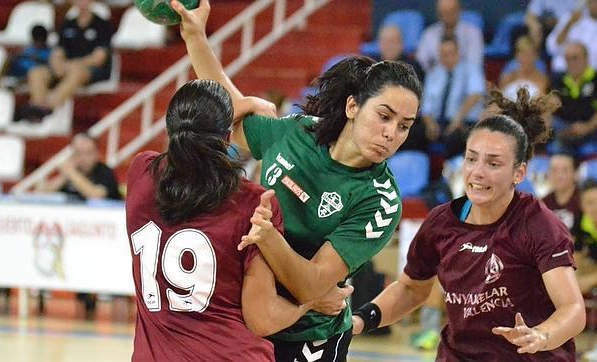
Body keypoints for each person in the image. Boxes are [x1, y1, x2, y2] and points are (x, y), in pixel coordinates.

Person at [171, 1, 422, 360]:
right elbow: (233, 110)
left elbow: (311, 283)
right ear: (353, 107)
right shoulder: (300, 132)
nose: (391, 134)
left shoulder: (380, 200)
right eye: (384, 116)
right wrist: (196, 36)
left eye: (404, 126)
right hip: (246, 320)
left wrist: (270, 242)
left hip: (308, 340)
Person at [352, 87, 586, 360]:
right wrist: (362, 319)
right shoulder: (441, 222)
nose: (478, 172)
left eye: (493, 163)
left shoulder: (538, 224)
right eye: (472, 158)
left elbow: (572, 309)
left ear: (519, 172)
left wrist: (541, 335)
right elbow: (410, 289)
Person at [126, 79, 350, 361]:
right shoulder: (253, 203)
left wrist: (250, 104)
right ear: (228, 137)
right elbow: (263, 319)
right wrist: (312, 301)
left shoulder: (141, 174)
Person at [39, 132, 121, 318]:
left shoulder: (104, 172)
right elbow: (42, 193)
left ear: (97, 153)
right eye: (78, 153)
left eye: (87, 152)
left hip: (103, 243)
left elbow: (96, 194)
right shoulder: (69, 173)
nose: (83, 158)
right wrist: (64, 175)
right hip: (71, 240)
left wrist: (71, 173)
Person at [21, 0, 113, 122]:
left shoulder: (102, 25)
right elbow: (58, 51)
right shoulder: (67, 24)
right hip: (66, 66)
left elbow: (98, 58)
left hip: (91, 69)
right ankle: (36, 106)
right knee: (37, 72)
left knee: (76, 73)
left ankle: (49, 107)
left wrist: (73, 65)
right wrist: (58, 63)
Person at [421, 35, 485, 159]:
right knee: (412, 133)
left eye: (449, 53)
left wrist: (457, 120)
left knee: (455, 137)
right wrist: (430, 124)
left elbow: (475, 95)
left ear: (458, 52)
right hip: (439, 122)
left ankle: (450, 175)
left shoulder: (471, 69)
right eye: (443, 54)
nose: (446, 58)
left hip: (464, 122)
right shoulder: (433, 74)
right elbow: (426, 106)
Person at [550, 42, 597, 156]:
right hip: (567, 130)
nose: (571, 63)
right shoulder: (559, 80)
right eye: (567, 59)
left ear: (586, 58)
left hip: (593, 129)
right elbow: (552, 102)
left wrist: (588, 127)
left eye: (575, 58)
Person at [415, 0, 484, 72]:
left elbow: (474, 64)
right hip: (435, 78)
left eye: (451, 11)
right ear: (438, 13)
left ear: (459, 10)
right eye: (443, 12)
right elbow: (421, 62)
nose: (447, 15)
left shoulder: (473, 33)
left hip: (465, 79)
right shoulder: (429, 33)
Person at [546, 0, 597, 74]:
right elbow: (552, 47)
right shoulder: (571, 17)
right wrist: (570, 23)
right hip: (563, 71)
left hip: (594, 74)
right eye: (593, 1)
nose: (596, 5)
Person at [542, 153, 582, 236]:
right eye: (554, 170)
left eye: (564, 170)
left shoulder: (584, 200)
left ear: (575, 174)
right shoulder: (543, 203)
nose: (558, 176)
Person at [499, 36, 548, 101]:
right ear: (516, 55)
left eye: (529, 55)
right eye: (522, 54)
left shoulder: (543, 80)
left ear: (536, 56)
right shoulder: (507, 78)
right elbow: (500, 102)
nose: (526, 59)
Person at [575, 179, 597, 294]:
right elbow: (576, 260)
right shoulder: (580, 223)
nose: (595, 208)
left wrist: (591, 280)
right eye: (590, 203)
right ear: (582, 205)